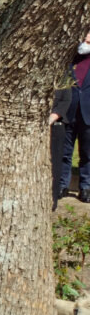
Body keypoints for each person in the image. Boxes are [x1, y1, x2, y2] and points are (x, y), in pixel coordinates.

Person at [60, 30, 90, 203]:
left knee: (87, 153)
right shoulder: (70, 59)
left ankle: (85, 187)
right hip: (68, 111)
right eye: (85, 34)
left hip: (88, 112)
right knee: (65, 152)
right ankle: (63, 185)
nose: (86, 38)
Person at [51, 86, 72, 210]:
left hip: (56, 126)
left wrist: (51, 118)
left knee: (55, 164)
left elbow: (65, 101)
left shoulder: (63, 77)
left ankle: (52, 200)